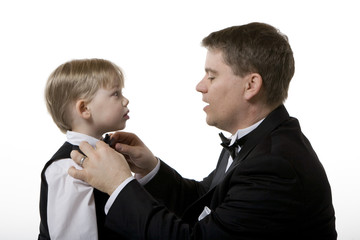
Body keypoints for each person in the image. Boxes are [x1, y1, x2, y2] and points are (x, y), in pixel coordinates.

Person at [69, 22, 337, 239]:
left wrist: (119, 184)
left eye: (212, 76)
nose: (200, 86)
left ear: (251, 85)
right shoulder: (258, 139)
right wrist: (150, 169)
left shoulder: (275, 165)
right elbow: (206, 202)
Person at [38, 58, 129, 240]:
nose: (125, 100)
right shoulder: (68, 168)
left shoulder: (108, 152)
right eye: (116, 94)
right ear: (85, 108)